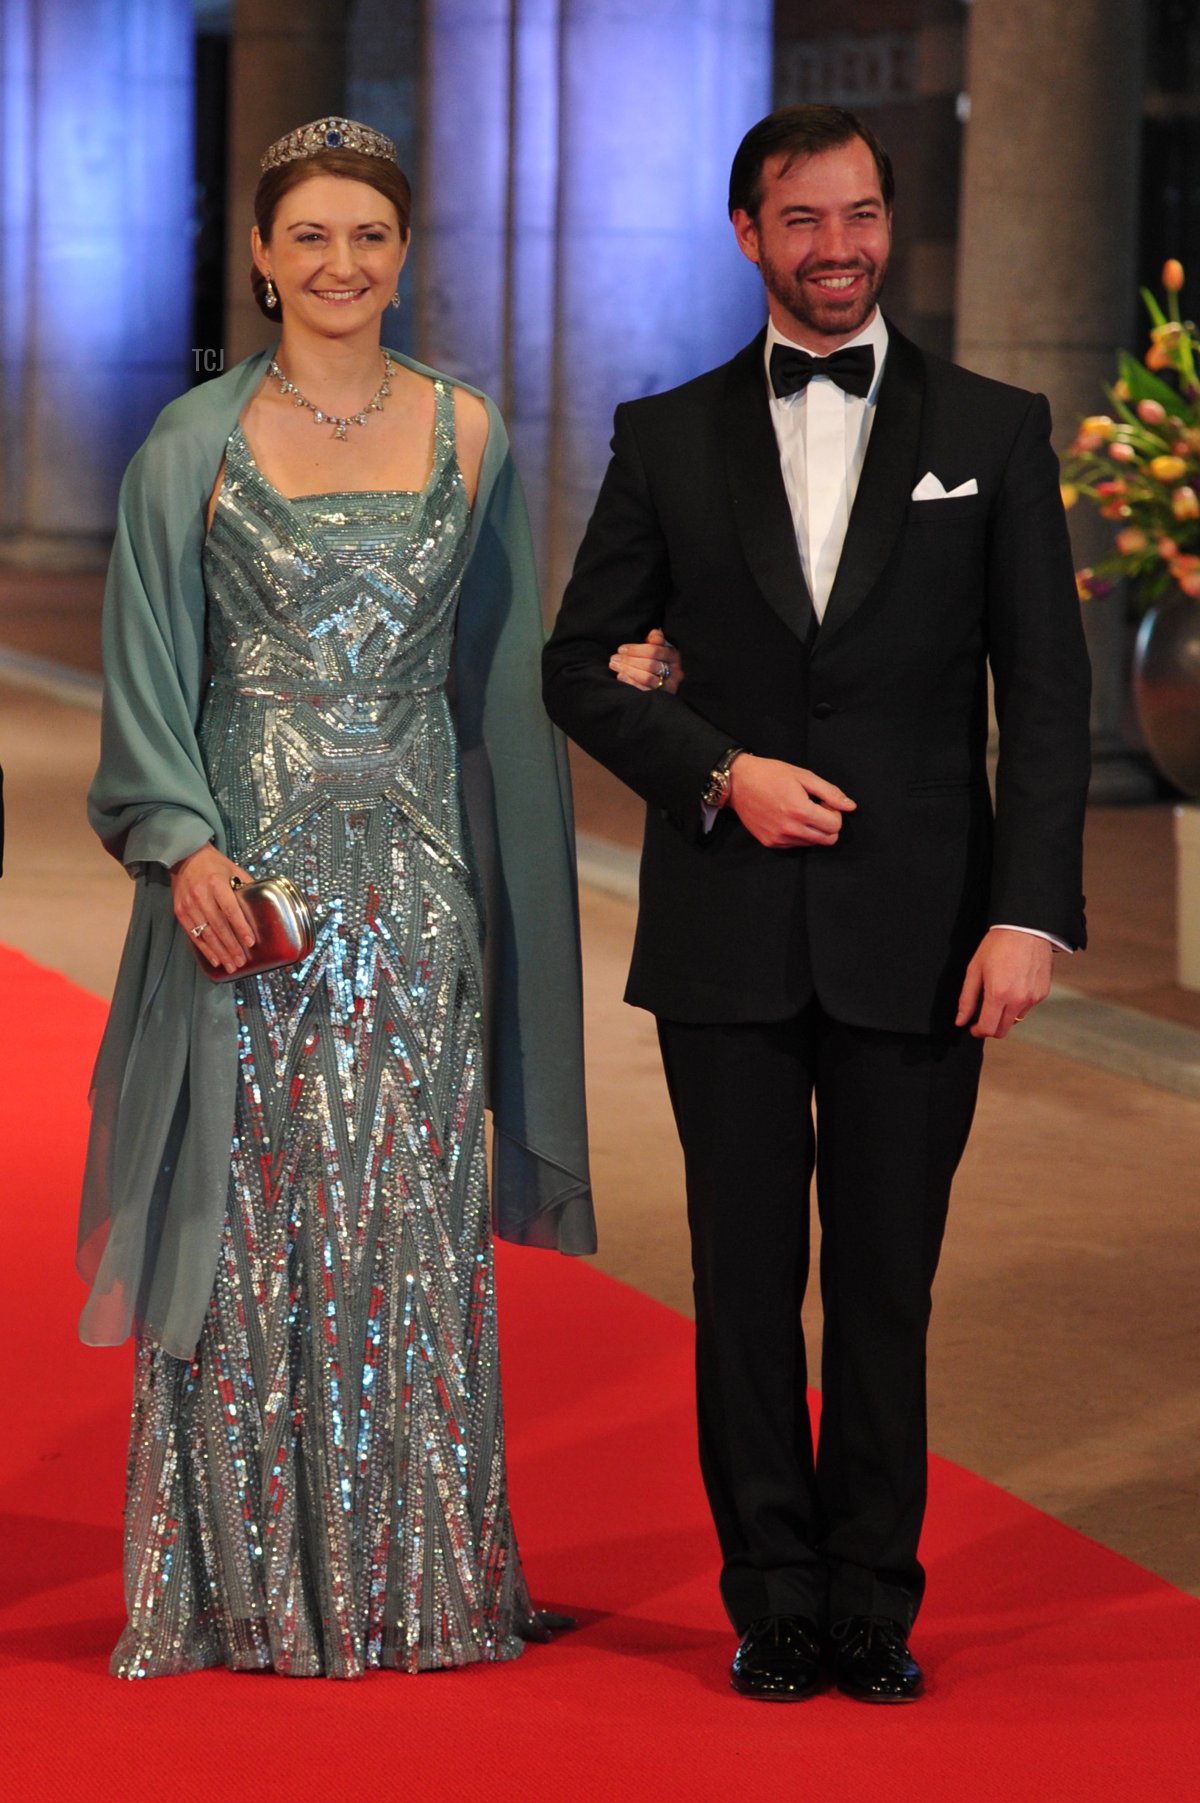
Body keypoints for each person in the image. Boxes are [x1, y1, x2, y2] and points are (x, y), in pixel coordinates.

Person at [543, 104, 1091, 1703]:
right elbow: (582, 664)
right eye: (802, 220)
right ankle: (773, 1595)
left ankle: (877, 1597)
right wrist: (720, 771)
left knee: (885, 1284)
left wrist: (1030, 914)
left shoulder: (995, 430)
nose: (836, 247)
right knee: (739, 1283)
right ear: (746, 234)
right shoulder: (666, 434)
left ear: (888, 223)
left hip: (928, 937)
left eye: (859, 216)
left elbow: (1043, 703)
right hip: (726, 925)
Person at [75, 115, 635, 1679]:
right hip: (244, 907)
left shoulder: (472, 431)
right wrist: (183, 845)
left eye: (368, 236)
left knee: (405, 1226)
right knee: (251, 1233)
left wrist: (622, 690)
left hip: (417, 894)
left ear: (405, 252)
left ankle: (417, 1586)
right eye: (308, 236)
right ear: (260, 256)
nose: (339, 264)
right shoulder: (188, 445)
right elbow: (141, 689)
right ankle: (243, 1591)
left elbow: (506, 688)